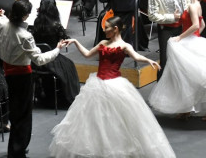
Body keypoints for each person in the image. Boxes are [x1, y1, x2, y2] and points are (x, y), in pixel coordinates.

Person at [50, 16, 174, 158]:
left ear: (115, 29)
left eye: (107, 27)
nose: (104, 30)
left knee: (116, 120)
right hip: (97, 84)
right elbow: (87, 55)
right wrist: (76, 41)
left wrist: (148, 60)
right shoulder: (103, 43)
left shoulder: (124, 46)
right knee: (97, 120)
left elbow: (136, 57)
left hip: (114, 85)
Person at [0, 0, 67, 158]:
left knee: (15, 111)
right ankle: (18, 150)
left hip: (6, 71)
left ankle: (15, 147)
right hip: (22, 76)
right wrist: (57, 49)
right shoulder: (25, 35)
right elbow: (40, 60)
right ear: (25, 16)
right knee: (23, 114)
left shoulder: (1, 24)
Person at [30, 0, 80, 107]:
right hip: (53, 59)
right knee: (70, 65)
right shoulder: (56, 25)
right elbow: (65, 39)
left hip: (38, 58)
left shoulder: (36, 22)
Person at [147, 0, 189, 76]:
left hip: (183, 26)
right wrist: (172, 17)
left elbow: (187, 0)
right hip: (166, 29)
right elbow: (152, 15)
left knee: (182, 59)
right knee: (165, 61)